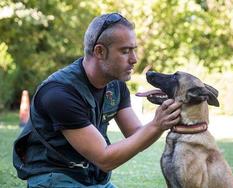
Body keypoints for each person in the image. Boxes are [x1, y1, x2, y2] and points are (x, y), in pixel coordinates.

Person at [13, 13, 181, 188]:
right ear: (99, 51)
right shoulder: (59, 93)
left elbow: (137, 134)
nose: (134, 59)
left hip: (93, 180)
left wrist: (169, 112)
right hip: (54, 178)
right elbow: (105, 158)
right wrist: (157, 124)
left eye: (134, 49)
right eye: (125, 51)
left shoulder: (116, 85)